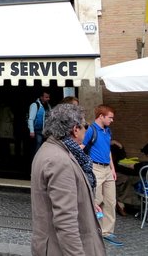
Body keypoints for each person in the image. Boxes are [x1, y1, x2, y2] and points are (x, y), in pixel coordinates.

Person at [31, 103, 105, 255]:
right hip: (57, 248)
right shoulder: (59, 160)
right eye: (85, 126)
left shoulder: (51, 150)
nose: (87, 130)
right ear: (75, 129)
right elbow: (65, 221)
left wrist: (87, 202)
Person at [82, 104, 122, 247]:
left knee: (110, 202)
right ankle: (94, 231)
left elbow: (108, 150)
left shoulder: (107, 130)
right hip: (96, 168)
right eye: (110, 118)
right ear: (101, 117)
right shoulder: (90, 131)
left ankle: (107, 232)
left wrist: (112, 168)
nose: (112, 120)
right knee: (96, 201)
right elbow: (80, 147)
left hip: (107, 170)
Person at [28, 90, 51, 155]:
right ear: (41, 97)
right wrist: (31, 131)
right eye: (46, 97)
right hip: (37, 130)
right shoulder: (35, 105)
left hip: (45, 131)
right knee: (37, 147)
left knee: (43, 148)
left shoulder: (48, 106)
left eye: (48, 97)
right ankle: (35, 162)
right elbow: (31, 119)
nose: (48, 99)